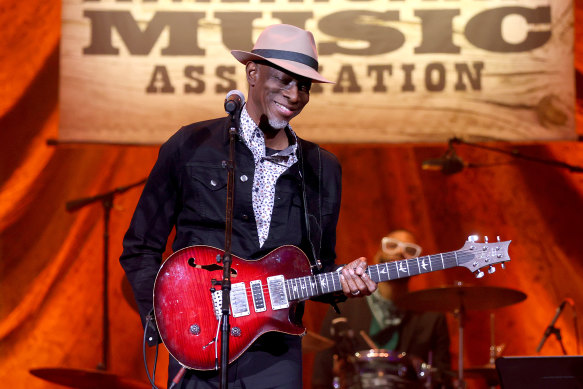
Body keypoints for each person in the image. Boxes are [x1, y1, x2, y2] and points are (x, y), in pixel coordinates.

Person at [119, 24, 376, 389]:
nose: (295, 94)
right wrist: (164, 320)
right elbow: (140, 247)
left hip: (275, 352)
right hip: (198, 343)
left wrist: (343, 282)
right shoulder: (191, 146)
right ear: (252, 72)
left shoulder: (322, 168)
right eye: (285, 79)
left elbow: (317, 266)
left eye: (305, 86)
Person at [312, 230, 452, 389]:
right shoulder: (342, 310)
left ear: (418, 265)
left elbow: (443, 377)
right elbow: (321, 375)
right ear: (377, 255)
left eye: (410, 250)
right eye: (391, 246)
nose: (400, 252)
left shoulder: (432, 318)